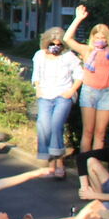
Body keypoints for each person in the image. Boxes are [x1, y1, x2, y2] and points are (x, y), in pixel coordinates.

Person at [64, 5, 109, 153]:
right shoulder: (87, 50)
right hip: (89, 91)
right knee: (88, 131)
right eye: (97, 37)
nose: (100, 40)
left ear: (108, 38)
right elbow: (67, 39)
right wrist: (78, 19)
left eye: (103, 37)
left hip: (106, 92)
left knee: (100, 133)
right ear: (92, 37)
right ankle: (85, 162)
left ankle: (96, 162)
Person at [32, 27, 83, 178]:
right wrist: (38, 88)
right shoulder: (39, 55)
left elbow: (80, 75)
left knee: (56, 125)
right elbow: (36, 75)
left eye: (59, 44)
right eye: (52, 44)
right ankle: (50, 163)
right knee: (44, 125)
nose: (55, 47)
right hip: (45, 95)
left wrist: (71, 91)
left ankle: (59, 164)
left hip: (62, 95)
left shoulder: (69, 56)